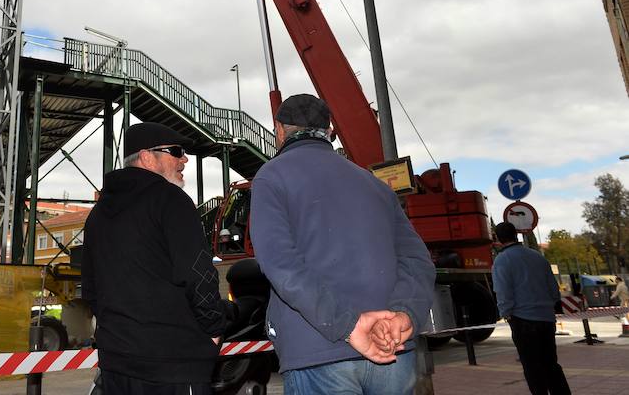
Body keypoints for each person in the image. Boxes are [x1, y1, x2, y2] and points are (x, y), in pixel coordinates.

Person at [249, 94, 436, 395]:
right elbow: (418, 260)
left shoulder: (271, 177)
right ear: (330, 130)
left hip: (318, 348)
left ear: (279, 131)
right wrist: (404, 315)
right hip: (391, 346)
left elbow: (281, 265)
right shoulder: (375, 184)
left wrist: (348, 325)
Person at [82, 122, 227, 395]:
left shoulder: (97, 214)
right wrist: (213, 330)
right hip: (174, 365)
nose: (184, 159)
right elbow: (199, 274)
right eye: (176, 151)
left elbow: (90, 288)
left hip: (117, 365)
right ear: (147, 157)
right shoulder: (171, 199)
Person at [492, 221, 571, 395]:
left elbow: (503, 292)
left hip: (522, 320)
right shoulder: (537, 256)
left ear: (497, 239)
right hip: (546, 318)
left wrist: (507, 314)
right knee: (551, 364)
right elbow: (553, 288)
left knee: (532, 366)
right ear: (516, 235)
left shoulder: (502, 260)